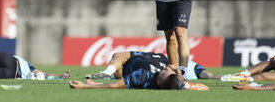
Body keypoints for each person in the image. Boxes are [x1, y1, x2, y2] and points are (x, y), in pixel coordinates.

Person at [70, 51, 208, 90]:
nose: (167, 69)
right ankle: (110, 72)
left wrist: (85, 86)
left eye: (165, 72)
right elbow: (203, 88)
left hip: (136, 61)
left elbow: (117, 85)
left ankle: (108, 73)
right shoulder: (174, 83)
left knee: (118, 56)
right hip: (153, 57)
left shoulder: (143, 77)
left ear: (159, 82)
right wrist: (180, 76)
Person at [85, 51, 220, 80]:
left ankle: (107, 73)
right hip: (163, 66)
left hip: (155, 65)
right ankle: (107, 74)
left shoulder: (164, 61)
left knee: (119, 57)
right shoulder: (193, 68)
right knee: (210, 77)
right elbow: (208, 76)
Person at [0, 52, 71, 81]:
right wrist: (59, 76)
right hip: (12, 70)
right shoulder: (30, 69)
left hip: (5, 56)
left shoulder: (27, 64)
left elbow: (44, 74)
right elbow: (45, 74)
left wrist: (59, 76)